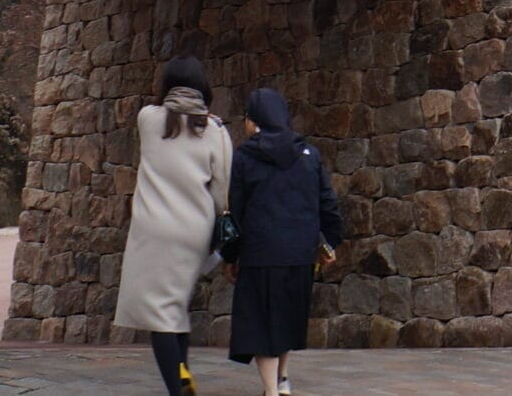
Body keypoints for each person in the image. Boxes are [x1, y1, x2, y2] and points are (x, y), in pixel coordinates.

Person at [114, 56, 231, 396]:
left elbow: (163, 116)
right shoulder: (217, 132)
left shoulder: (148, 119)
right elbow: (222, 191)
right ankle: (183, 376)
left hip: (153, 230)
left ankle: (179, 386)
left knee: (161, 313)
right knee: (174, 305)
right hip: (194, 232)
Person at [226, 87, 342, 396]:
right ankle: (283, 379)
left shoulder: (245, 158)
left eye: (247, 119)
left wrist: (230, 257)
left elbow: (235, 211)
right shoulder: (309, 155)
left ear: (255, 121)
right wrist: (329, 244)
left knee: (263, 327)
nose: (245, 125)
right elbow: (327, 203)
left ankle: (271, 391)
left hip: (260, 254)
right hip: (301, 255)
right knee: (287, 319)